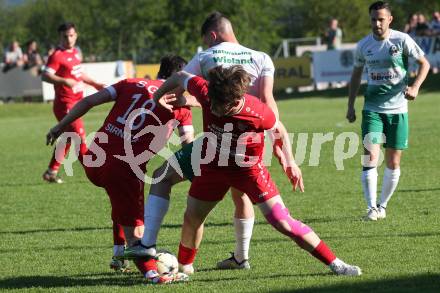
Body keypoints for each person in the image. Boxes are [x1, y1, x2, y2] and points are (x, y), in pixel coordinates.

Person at [123, 11, 303, 270]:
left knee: (163, 176)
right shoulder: (261, 58)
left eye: (206, 40)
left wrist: (175, 100)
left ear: (212, 35)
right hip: (251, 141)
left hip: (215, 144)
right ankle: (241, 258)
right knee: (240, 197)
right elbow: (267, 102)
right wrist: (279, 146)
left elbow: (186, 88)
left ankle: (151, 245)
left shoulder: (207, 56)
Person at [152, 65, 361, 276]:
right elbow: (179, 76)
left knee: (283, 222)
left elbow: (278, 130)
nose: (212, 108)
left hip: (248, 171)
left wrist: (290, 162)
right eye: (211, 102)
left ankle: (337, 264)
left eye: (219, 106)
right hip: (212, 167)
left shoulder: (258, 112)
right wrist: (158, 97)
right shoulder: (208, 91)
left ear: (234, 102)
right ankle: (184, 268)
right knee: (192, 217)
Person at [46, 55, 194, 284]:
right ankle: (154, 275)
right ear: (180, 79)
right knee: (138, 236)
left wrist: (60, 126)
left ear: (159, 73)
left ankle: (118, 254)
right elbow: (188, 147)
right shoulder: (179, 104)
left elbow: (87, 102)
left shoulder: (130, 83)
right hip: (124, 169)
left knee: (120, 203)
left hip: (96, 161)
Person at [346, 1, 430, 221]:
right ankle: (371, 207)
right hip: (372, 109)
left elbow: (425, 64)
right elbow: (356, 76)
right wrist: (350, 105)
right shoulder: (364, 46)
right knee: (371, 156)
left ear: (389, 20)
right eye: (373, 19)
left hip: (399, 110)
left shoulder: (402, 40)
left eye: (381, 19)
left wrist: (415, 87)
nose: (377, 23)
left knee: (393, 162)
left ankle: (382, 205)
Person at [42, 22, 105, 183]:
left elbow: (79, 73)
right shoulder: (57, 55)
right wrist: (64, 81)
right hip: (65, 104)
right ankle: (95, 173)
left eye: (71, 35)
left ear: (76, 35)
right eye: (65, 36)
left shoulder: (76, 53)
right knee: (78, 136)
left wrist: (95, 84)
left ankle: (51, 172)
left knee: (69, 138)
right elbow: (45, 75)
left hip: (77, 102)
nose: (69, 39)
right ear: (60, 37)